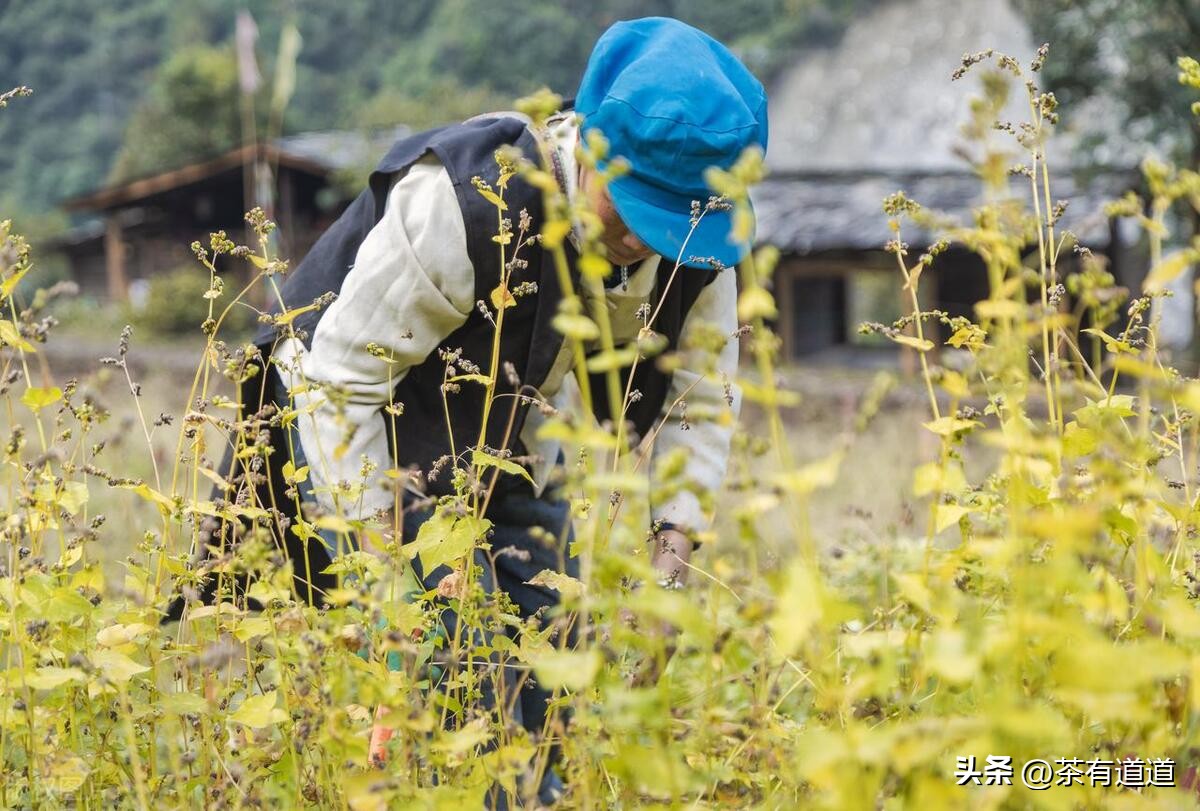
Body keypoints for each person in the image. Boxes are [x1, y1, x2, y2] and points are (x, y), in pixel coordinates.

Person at [214, 15, 765, 809]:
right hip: (362, 428)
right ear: (595, 148)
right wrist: (390, 585)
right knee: (451, 666)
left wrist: (668, 562)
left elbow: (702, 403)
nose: (643, 244)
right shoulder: (465, 201)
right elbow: (342, 385)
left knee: (546, 670)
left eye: (671, 227)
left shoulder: (701, 241)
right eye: (632, 210)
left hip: (519, 446)